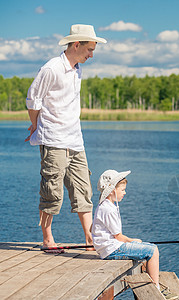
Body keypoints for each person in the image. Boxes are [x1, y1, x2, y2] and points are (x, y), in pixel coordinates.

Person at [25, 24, 107, 253]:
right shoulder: (51, 68)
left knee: (83, 190)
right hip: (54, 140)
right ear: (76, 44)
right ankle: (47, 239)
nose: (91, 54)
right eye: (90, 49)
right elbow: (33, 100)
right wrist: (35, 124)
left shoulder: (77, 69)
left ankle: (90, 240)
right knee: (51, 191)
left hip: (75, 140)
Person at [92, 170, 177, 299]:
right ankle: (156, 289)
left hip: (109, 248)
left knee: (144, 247)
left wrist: (133, 242)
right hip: (112, 250)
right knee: (153, 250)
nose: (125, 193)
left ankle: (153, 284)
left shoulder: (105, 206)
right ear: (112, 190)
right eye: (122, 190)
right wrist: (132, 240)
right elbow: (118, 237)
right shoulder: (108, 209)